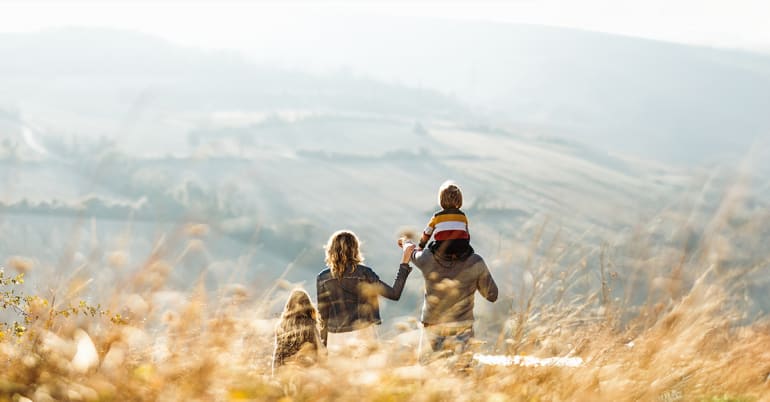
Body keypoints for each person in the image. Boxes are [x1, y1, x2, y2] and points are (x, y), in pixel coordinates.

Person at [316, 230, 414, 352]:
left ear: (331, 250)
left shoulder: (322, 278)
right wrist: (404, 262)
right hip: (363, 332)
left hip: (335, 337)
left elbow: (323, 315)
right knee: (366, 370)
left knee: (340, 371)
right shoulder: (365, 273)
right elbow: (394, 294)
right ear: (355, 250)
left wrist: (324, 343)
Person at [405, 238, 498, 363]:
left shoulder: (426, 257)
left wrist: (406, 242)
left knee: (429, 375)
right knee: (462, 374)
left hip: (432, 328)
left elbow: (411, 251)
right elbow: (492, 295)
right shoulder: (475, 261)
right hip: (462, 329)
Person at [272, 289, 325, 374]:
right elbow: (319, 351)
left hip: (285, 372)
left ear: (289, 305)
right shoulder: (310, 325)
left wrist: (275, 374)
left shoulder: (281, 325)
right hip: (306, 372)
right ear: (307, 305)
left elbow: (277, 354)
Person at [417, 181, 473, 260]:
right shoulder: (462, 216)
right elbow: (467, 235)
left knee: (431, 246)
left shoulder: (437, 217)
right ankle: (457, 256)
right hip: (461, 248)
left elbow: (427, 233)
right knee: (470, 250)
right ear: (459, 200)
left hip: (442, 249)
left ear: (441, 199)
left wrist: (420, 246)